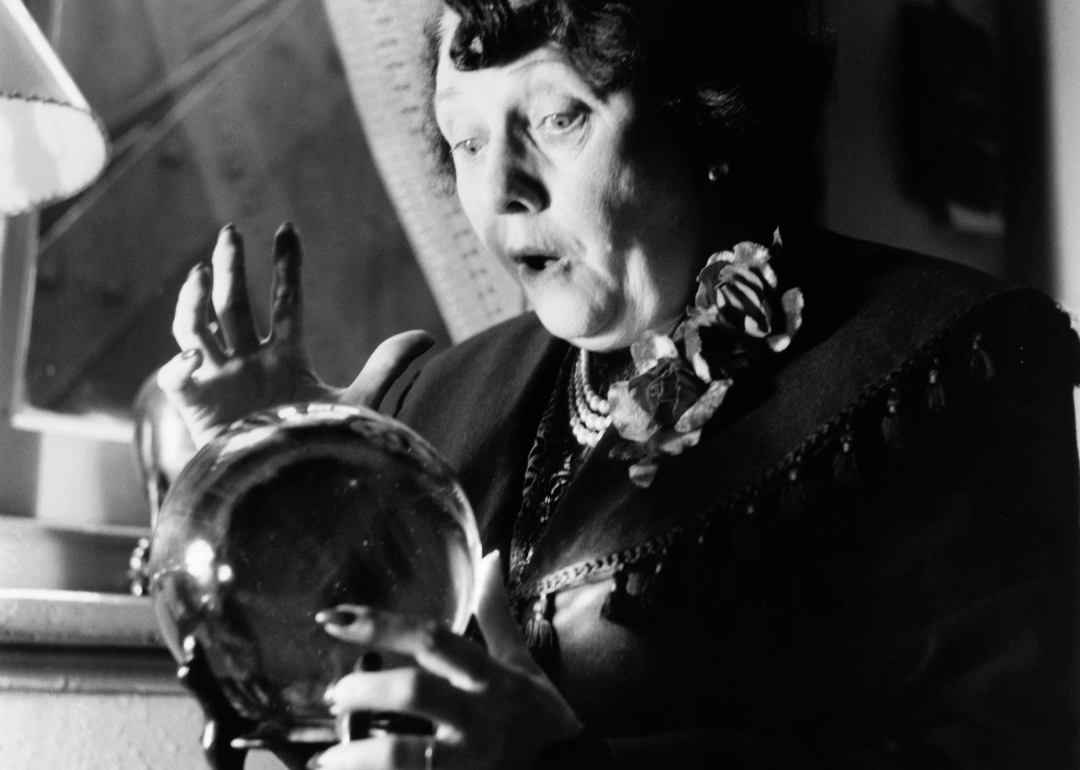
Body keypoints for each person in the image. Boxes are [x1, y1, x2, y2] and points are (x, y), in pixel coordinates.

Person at [158, 0, 1080, 768]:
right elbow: (336, 723)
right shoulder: (429, 408)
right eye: (466, 138)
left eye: (558, 118)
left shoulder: (944, 362)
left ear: (704, 108)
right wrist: (274, 489)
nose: (503, 189)